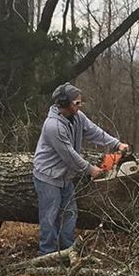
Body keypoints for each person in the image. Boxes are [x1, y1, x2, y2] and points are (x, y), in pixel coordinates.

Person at [31, 83, 128, 257]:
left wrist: (116, 144)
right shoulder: (53, 126)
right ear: (64, 103)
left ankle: (68, 250)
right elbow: (69, 156)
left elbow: (94, 132)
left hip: (65, 176)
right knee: (49, 216)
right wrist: (91, 170)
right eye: (76, 103)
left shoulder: (78, 117)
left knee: (70, 213)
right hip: (48, 176)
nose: (79, 105)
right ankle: (47, 254)